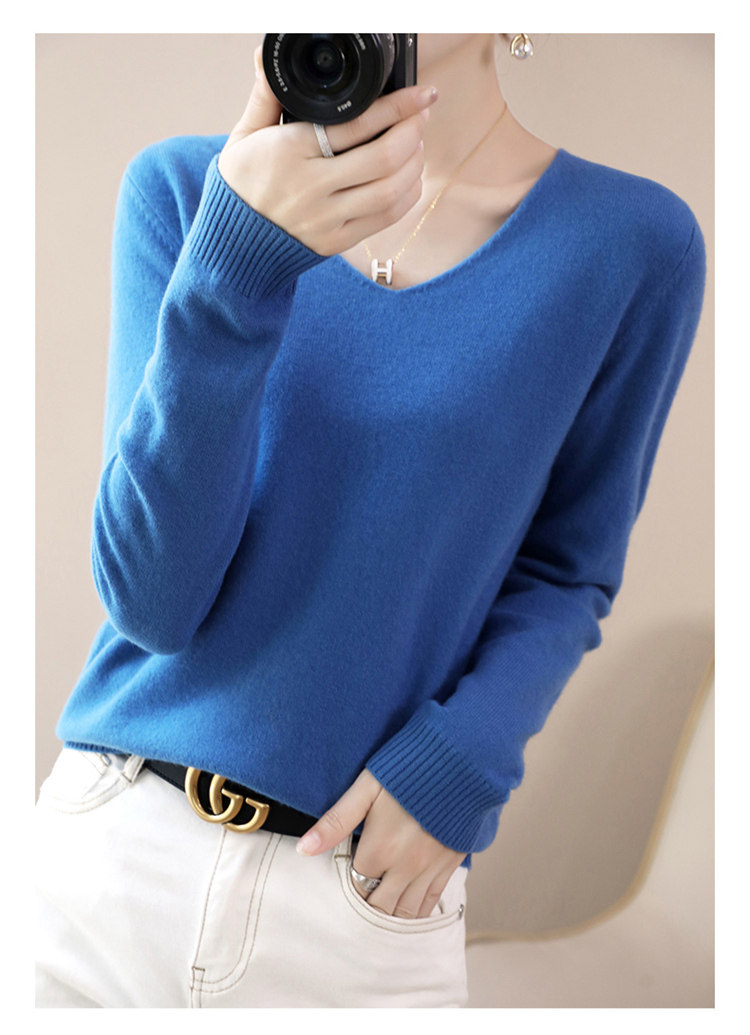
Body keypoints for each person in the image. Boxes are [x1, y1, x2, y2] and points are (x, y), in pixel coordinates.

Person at [35, 34, 706, 1008]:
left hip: (357, 905)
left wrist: (460, 764)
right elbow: (152, 602)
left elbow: (568, 569)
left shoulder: (628, 244)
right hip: (107, 867)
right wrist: (236, 262)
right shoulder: (186, 190)